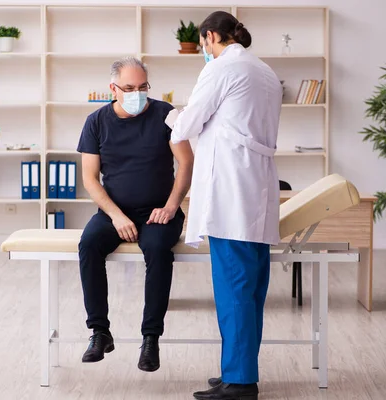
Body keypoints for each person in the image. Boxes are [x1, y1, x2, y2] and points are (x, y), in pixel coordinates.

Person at [166, 11, 283, 400]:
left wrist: (167, 115)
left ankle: (240, 382)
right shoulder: (264, 71)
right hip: (256, 189)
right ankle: (236, 369)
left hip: (230, 192)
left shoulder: (219, 69)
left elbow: (186, 126)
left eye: (203, 45)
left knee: (234, 289)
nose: (204, 52)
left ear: (211, 36)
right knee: (250, 291)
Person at [76, 57, 194, 372]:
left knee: (156, 249)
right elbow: (90, 179)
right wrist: (115, 216)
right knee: (88, 244)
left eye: (143, 87)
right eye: (129, 88)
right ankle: (99, 331)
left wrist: (172, 206)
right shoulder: (96, 121)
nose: (137, 93)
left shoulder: (166, 115)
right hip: (115, 211)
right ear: (113, 88)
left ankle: (150, 338)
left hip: (159, 211)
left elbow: (186, 162)